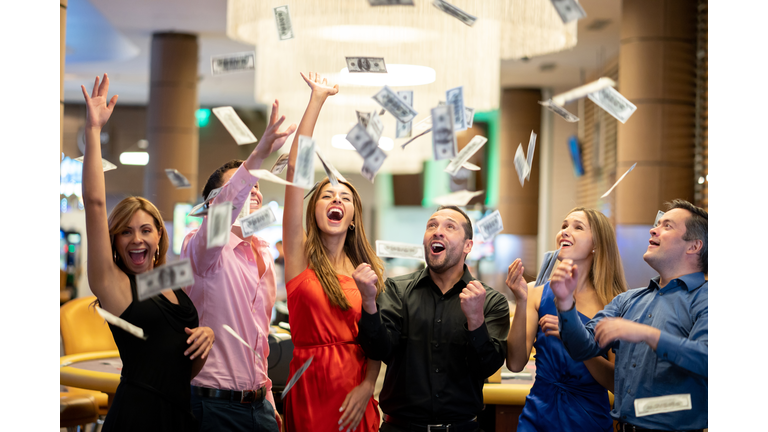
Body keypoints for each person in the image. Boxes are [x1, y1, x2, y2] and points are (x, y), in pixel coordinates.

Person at [81, 73, 214, 431]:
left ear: (159, 237)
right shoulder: (115, 286)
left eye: (145, 230)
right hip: (136, 418)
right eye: (125, 232)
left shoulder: (169, 280)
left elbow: (183, 367)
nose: (136, 239)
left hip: (179, 415)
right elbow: (94, 204)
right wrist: (93, 132)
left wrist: (207, 339)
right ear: (115, 241)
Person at [181, 100, 297, 432]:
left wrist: (269, 402)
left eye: (257, 187)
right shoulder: (199, 248)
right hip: (212, 405)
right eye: (245, 186)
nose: (253, 192)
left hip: (259, 405)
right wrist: (258, 155)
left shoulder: (261, 253)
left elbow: (257, 344)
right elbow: (222, 215)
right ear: (212, 204)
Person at [281, 72, 382, 432]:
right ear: (314, 211)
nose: (336, 199)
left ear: (353, 216)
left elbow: (377, 339)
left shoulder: (367, 271)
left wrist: (369, 385)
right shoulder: (299, 259)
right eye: (327, 195)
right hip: (310, 388)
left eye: (345, 197)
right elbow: (295, 171)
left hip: (356, 392)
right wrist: (317, 101)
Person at [554, 200, 708, 431]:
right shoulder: (628, 300)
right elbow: (583, 348)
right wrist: (565, 303)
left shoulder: (707, 298)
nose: (653, 229)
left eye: (667, 226)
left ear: (694, 246)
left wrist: (648, 334)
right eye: (657, 224)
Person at [355, 205, 510, 432]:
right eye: (432, 225)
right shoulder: (397, 290)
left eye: (450, 226)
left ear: (468, 245)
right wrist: (368, 302)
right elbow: (378, 351)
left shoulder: (490, 301)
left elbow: (486, 367)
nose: (438, 231)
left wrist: (475, 319)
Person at [505, 208, 628, 431]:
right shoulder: (535, 292)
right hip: (537, 417)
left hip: (588, 420)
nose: (565, 231)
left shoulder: (615, 303)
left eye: (577, 227)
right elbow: (514, 364)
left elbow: (617, 383)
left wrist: (574, 337)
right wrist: (521, 301)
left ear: (596, 245)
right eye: (564, 226)